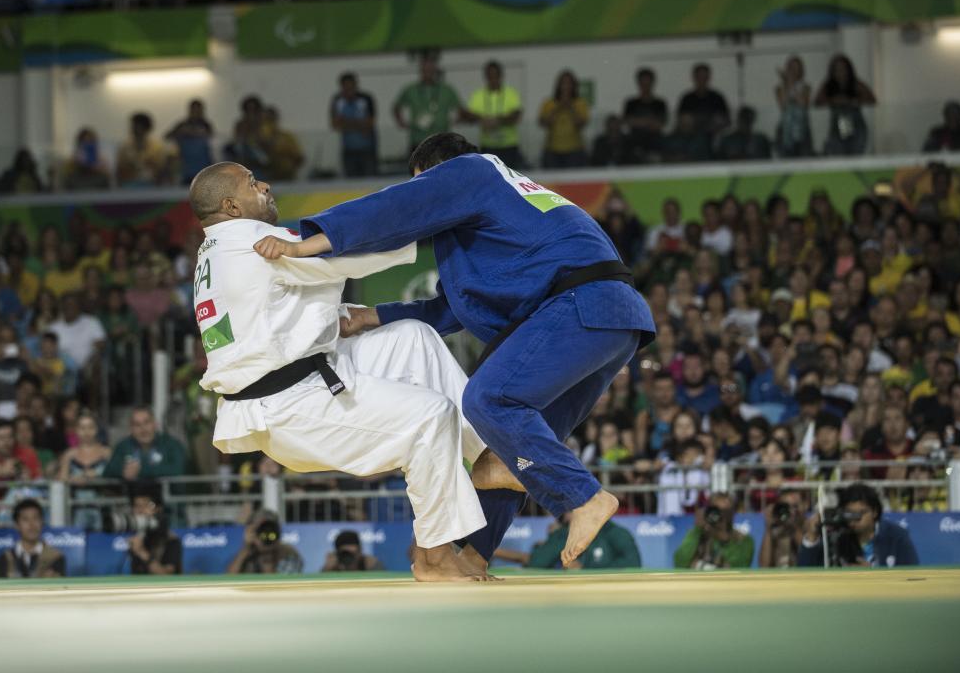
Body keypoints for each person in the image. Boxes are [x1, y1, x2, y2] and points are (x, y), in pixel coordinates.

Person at [275, 132, 656, 573]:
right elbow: (454, 306)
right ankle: (474, 557)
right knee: (506, 450)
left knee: (487, 400)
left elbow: (392, 209)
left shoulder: (470, 170)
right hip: (613, 319)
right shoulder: (511, 196)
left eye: (425, 188)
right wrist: (372, 316)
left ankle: (585, 498)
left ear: (432, 176)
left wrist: (307, 242)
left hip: (578, 308)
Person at [188, 161, 490, 582]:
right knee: (431, 416)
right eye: (254, 184)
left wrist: (337, 316)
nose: (267, 185)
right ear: (231, 206)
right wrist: (430, 224)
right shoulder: (251, 242)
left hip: (304, 374)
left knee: (411, 339)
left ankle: (487, 456)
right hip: (290, 403)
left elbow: (270, 318)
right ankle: (433, 557)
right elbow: (345, 256)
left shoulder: (216, 251)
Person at [800, 483, 918, 567]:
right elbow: (805, 573)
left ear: (875, 512)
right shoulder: (837, 535)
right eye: (849, 513)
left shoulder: (896, 535)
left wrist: (871, 575)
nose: (854, 519)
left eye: (860, 513)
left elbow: (912, 577)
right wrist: (811, 537)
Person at [393, 53, 463, 151]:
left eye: (430, 70)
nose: (428, 72)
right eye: (425, 70)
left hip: (441, 141)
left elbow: (460, 108)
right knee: (417, 166)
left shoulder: (446, 89)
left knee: (442, 166)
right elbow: (396, 106)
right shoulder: (411, 89)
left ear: (435, 71)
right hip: (418, 141)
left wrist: (455, 120)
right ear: (421, 71)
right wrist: (402, 122)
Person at [526, 511, 641, 570]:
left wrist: (585, 569)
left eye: (569, 512)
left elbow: (633, 563)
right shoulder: (563, 533)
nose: (565, 518)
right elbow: (536, 562)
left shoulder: (614, 532)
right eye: (562, 516)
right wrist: (561, 535)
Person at [464, 60, 524, 168]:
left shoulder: (511, 93)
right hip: (488, 146)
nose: (493, 79)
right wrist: (482, 119)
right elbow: (468, 115)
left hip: (509, 146)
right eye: (490, 76)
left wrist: (498, 121)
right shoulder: (478, 95)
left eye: (495, 75)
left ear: (501, 76)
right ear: (486, 77)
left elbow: (516, 115)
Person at [102, 407, 187, 483]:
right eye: (137, 425)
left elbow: (177, 470)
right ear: (131, 428)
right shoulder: (123, 446)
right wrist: (122, 471)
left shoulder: (171, 444)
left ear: (155, 424)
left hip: (165, 498)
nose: (143, 429)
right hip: (133, 498)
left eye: (146, 423)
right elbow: (108, 471)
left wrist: (141, 470)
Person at [814, 54, 876, 155]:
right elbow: (817, 102)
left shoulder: (856, 84)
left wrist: (853, 101)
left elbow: (872, 100)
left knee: (855, 155)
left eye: (843, 68)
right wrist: (833, 101)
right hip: (837, 129)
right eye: (837, 69)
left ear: (848, 69)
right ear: (832, 71)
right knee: (839, 156)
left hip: (856, 128)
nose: (840, 71)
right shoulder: (828, 85)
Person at [673, 493, 754, 569]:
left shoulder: (744, 541)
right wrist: (697, 529)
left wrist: (725, 540)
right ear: (708, 512)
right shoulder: (698, 535)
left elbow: (738, 569)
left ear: (733, 513)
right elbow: (680, 563)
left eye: (726, 511)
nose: (721, 515)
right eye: (716, 510)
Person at [0, 499, 65, 578]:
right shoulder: (4, 559)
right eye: (25, 519)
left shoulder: (55, 557)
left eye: (36, 518)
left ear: (42, 522)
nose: (32, 525)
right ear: (16, 525)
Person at [329, 72, 378, 177]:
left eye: (351, 87)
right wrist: (359, 124)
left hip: (367, 149)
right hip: (348, 150)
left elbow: (370, 124)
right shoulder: (337, 101)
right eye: (346, 87)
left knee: (371, 180)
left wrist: (346, 122)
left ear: (356, 85)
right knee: (351, 181)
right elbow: (335, 125)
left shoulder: (366, 99)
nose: (349, 90)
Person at [538, 70, 589, 168]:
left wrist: (570, 108)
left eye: (569, 83)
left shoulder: (580, 103)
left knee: (574, 181)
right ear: (558, 85)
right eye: (563, 83)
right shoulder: (549, 103)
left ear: (574, 86)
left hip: (575, 150)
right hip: (552, 151)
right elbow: (543, 123)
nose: (566, 87)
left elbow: (581, 124)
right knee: (552, 181)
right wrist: (558, 108)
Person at [127, 485, 182, 575]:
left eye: (145, 506)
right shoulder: (137, 538)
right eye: (137, 506)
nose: (140, 511)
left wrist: (141, 552)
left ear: (157, 509)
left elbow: (167, 576)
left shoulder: (171, 540)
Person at [228, 509, 302, 574]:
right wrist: (246, 548)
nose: (267, 533)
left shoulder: (289, 554)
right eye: (262, 529)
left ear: (277, 530)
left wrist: (270, 556)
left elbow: (280, 586)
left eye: (271, 528)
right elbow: (229, 581)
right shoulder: (246, 556)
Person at [619, 67, 668, 163]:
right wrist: (648, 122)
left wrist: (639, 121)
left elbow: (660, 124)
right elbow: (627, 121)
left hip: (655, 140)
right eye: (643, 82)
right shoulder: (631, 103)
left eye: (647, 82)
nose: (645, 85)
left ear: (652, 83)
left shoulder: (660, 103)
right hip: (635, 140)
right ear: (638, 83)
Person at [116, 112, 179, 186]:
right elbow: (119, 170)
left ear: (146, 129)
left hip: (152, 185)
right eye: (133, 127)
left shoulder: (157, 147)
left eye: (138, 127)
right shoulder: (124, 147)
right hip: (129, 185)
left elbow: (160, 169)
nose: (134, 130)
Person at [676, 63, 730, 145]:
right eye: (699, 77)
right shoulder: (687, 99)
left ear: (709, 78)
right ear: (694, 78)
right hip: (691, 136)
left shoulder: (717, 98)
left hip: (714, 136)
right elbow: (681, 120)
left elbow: (726, 120)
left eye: (704, 77)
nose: (702, 80)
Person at [166, 99, 215, 184]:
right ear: (190, 110)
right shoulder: (182, 125)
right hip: (185, 166)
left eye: (198, 110)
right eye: (194, 110)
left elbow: (213, 139)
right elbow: (167, 136)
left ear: (202, 111)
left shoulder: (206, 125)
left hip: (203, 166)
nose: (195, 112)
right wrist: (182, 132)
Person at [774, 55, 813, 157]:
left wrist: (791, 83)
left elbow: (803, 104)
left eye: (796, 68)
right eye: (791, 67)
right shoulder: (780, 88)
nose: (793, 71)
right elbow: (783, 105)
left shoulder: (806, 87)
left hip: (802, 127)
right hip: (785, 129)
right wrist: (787, 83)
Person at [260, 106, 305, 182]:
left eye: (271, 120)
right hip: (265, 176)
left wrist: (291, 169)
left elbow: (299, 157)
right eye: (266, 120)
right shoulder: (257, 138)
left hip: (286, 175)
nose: (269, 124)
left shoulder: (286, 137)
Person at [321, 529, 385, 572]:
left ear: (360, 551)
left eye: (352, 553)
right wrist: (327, 569)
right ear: (337, 553)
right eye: (345, 553)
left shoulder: (369, 564)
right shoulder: (333, 566)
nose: (348, 558)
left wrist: (375, 569)